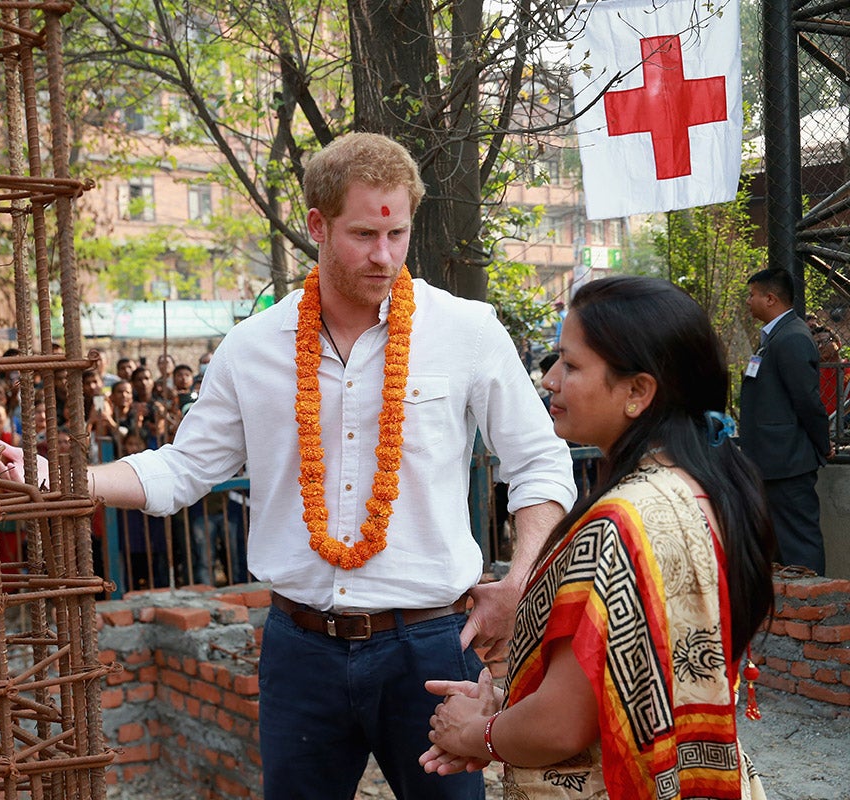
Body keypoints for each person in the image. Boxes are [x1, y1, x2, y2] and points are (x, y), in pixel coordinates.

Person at [88, 132, 575, 798]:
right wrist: (65, 481)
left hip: (431, 644)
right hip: (301, 646)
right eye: (363, 235)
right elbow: (182, 469)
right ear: (317, 225)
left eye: (397, 234)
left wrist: (520, 580)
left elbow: (540, 462)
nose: (384, 256)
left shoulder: (467, 331)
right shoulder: (253, 346)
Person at [421, 276, 773, 800]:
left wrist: (476, 733)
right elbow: (625, 681)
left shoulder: (620, 523)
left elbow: (561, 725)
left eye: (571, 365)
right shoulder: (703, 488)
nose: (551, 380)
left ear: (637, 392)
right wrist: (508, 710)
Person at [738, 267, 831, 574]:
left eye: (752, 295)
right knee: (778, 545)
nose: (748, 301)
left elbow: (807, 401)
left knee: (799, 543)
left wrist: (822, 444)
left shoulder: (792, 338)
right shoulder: (774, 337)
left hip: (788, 461)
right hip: (772, 461)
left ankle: (815, 598)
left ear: (771, 298)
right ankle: (789, 601)